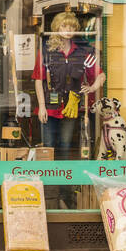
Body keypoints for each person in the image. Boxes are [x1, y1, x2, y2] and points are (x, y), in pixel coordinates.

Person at [33, 11, 105, 159]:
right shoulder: (47, 51)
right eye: (64, 26)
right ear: (56, 27)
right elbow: (38, 79)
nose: (68, 30)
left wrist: (92, 88)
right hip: (49, 105)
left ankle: (64, 180)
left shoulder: (83, 52)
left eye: (72, 27)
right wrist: (41, 106)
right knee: (48, 146)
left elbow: (101, 75)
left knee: (65, 145)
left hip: (71, 105)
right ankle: (48, 180)